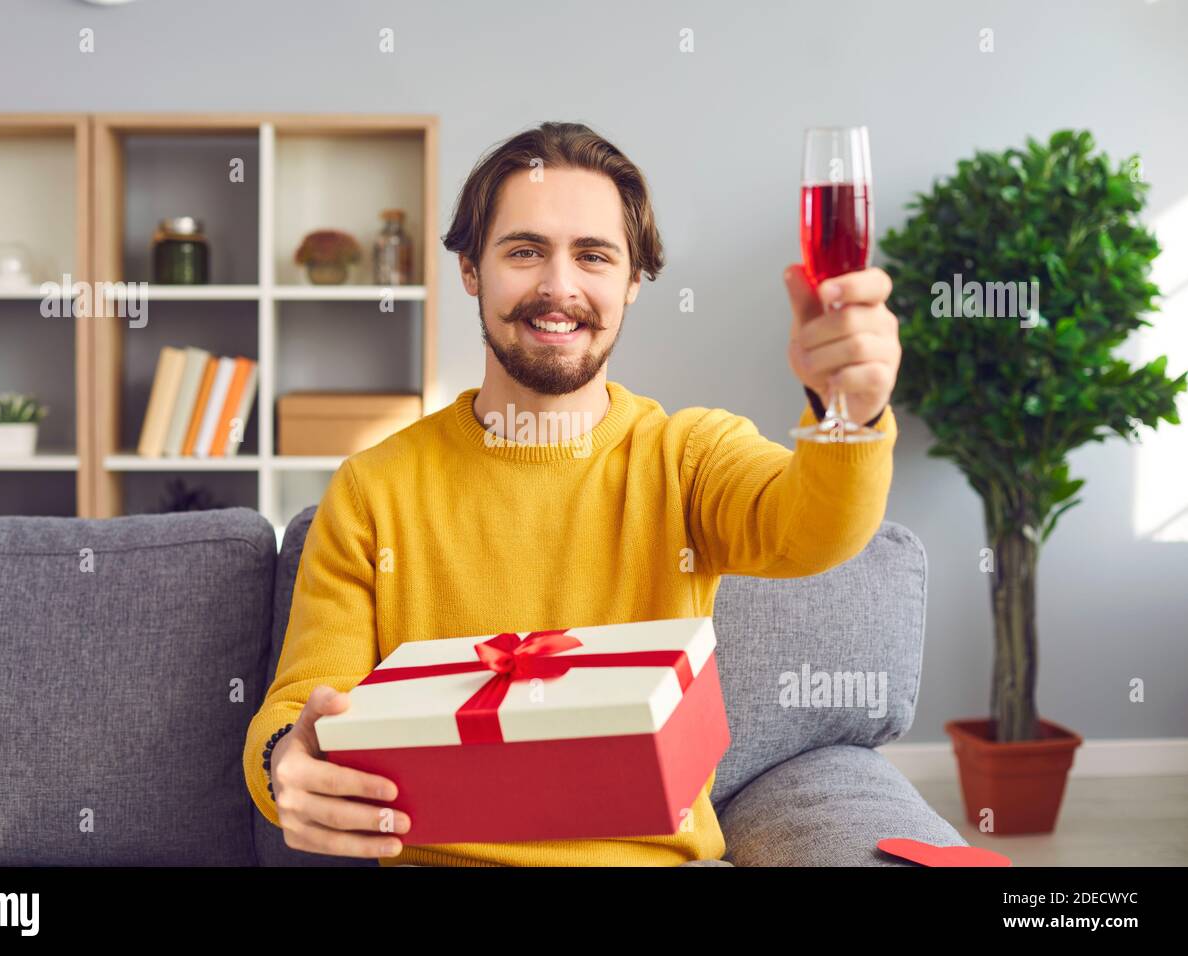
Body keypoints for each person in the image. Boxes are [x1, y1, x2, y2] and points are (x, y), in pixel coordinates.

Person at [245, 120, 902, 866]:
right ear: (470, 269)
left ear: (631, 281)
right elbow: (300, 706)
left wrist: (850, 412)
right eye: (524, 252)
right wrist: (284, 763)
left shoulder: (687, 458)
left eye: (593, 256)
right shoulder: (374, 489)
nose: (559, 287)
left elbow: (814, 529)